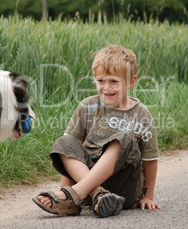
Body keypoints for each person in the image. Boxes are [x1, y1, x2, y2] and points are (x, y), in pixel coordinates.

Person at [32, 45, 160, 218]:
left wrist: (148, 196)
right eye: (101, 81)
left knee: (124, 137)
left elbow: (150, 158)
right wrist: (65, 192)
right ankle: (94, 194)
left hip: (124, 188)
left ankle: (79, 192)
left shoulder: (141, 113)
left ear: (131, 81)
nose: (107, 87)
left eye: (114, 81)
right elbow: (70, 151)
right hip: (87, 184)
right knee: (64, 141)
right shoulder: (87, 106)